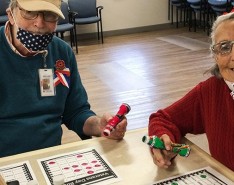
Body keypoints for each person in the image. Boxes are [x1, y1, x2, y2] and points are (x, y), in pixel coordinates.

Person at [0, 0, 127, 158]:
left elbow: (76, 112)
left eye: (49, 15)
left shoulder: (62, 52)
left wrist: (100, 126)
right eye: (30, 13)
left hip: (50, 156)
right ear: (11, 15)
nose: (39, 23)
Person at [148, 12, 234, 171]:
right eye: (225, 47)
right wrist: (163, 139)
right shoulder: (210, 91)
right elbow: (163, 119)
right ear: (215, 55)